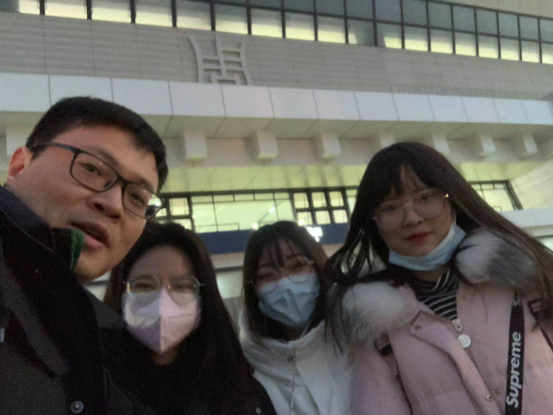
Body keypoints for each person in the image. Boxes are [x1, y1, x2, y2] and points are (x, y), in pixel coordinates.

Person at [329, 142, 553, 415]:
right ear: (374, 223)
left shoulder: (526, 280)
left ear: (453, 200)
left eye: (425, 198)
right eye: (390, 208)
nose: (411, 218)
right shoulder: (376, 326)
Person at [0, 96, 168, 414]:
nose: (115, 205)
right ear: (20, 165)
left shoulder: (107, 342)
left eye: (137, 198)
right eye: (91, 168)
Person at [104, 221, 276, 415]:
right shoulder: (93, 386)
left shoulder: (240, 393)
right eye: (144, 285)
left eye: (182, 286)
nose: (162, 303)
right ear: (120, 291)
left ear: (203, 297)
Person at [240, 221, 353, 415]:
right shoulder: (246, 374)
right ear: (253, 289)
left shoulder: (359, 338)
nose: (285, 283)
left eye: (297, 266)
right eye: (267, 275)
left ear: (319, 267)